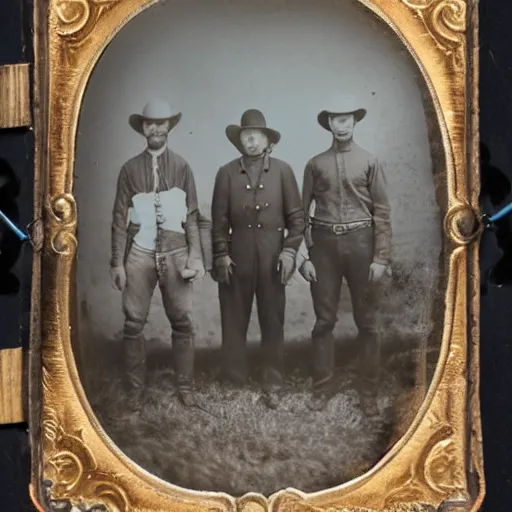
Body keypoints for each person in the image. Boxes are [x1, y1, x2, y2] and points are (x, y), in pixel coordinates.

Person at [110, 99, 206, 411]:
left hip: (177, 252)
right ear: (143, 128)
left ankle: (185, 388)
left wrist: (195, 258)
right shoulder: (129, 169)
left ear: (169, 127)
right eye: (149, 123)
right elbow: (118, 219)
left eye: (161, 122)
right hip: (139, 253)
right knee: (133, 323)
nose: (155, 128)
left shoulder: (182, 167)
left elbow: (192, 216)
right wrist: (117, 262)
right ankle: (136, 390)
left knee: (181, 321)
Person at [298, 96, 392, 413]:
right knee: (324, 320)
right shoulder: (315, 164)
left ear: (354, 122)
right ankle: (322, 389)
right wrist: (305, 255)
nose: (343, 124)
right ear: (329, 124)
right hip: (323, 245)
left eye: (348, 118)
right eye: (337, 119)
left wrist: (380, 258)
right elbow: (301, 214)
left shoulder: (369, 161)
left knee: (368, 323)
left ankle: (368, 394)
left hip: (362, 244)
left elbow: (382, 211)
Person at [211, 109, 304, 407]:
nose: (250, 139)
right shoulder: (226, 172)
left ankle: (273, 379)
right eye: (245, 135)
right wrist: (221, 255)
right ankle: (234, 379)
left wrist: (289, 251)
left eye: (256, 135)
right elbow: (218, 221)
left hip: (272, 258)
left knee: (272, 318)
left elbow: (298, 219)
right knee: (234, 318)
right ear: (239, 141)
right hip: (236, 257)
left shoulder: (283, 171)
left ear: (267, 140)